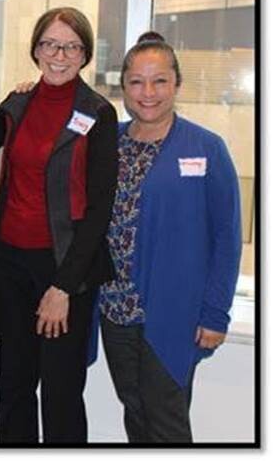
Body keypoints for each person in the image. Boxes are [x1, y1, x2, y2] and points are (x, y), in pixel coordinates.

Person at [0, 6, 118, 443]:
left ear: (84, 53)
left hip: (64, 270)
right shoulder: (18, 102)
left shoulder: (98, 112)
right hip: (9, 263)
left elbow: (99, 209)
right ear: (36, 49)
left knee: (61, 393)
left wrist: (63, 287)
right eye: (50, 44)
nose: (60, 54)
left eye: (71, 46)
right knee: (13, 384)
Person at [97, 32, 242, 443]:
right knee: (135, 412)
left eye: (159, 80)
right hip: (115, 309)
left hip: (174, 313)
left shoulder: (206, 147)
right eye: (137, 82)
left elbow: (227, 237)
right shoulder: (111, 142)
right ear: (122, 87)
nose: (148, 92)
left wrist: (216, 314)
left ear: (177, 83)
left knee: (166, 420)